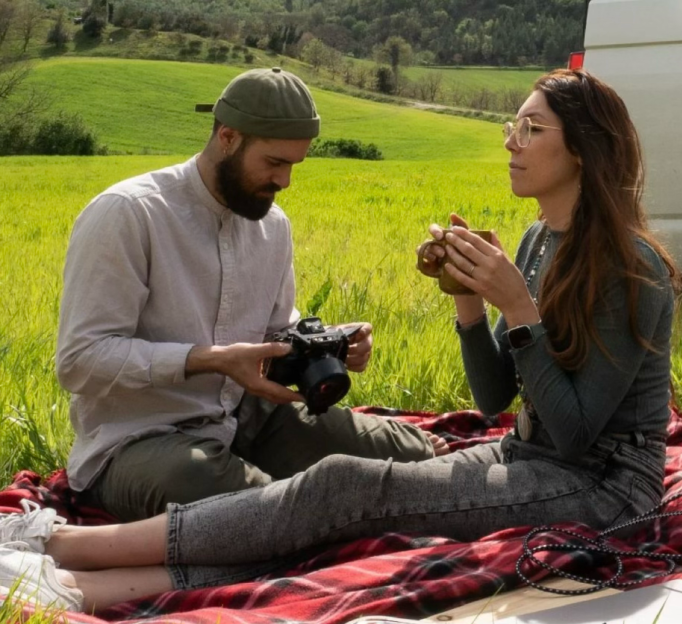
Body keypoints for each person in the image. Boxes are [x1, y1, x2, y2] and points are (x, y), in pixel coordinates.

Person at [0, 68, 682, 613]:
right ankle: (63, 554)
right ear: (230, 137)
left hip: (601, 486)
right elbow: (498, 398)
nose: (509, 139)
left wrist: (504, 306)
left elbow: (570, 435)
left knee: (337, 498)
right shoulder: (129, 215)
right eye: (515, 123)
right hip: (151, 440)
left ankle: (66, 563)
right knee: (329, 504)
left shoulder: (630, 267)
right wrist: (476, 306)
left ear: (583, 150)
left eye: (530, 128)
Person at [51, 67, 443, 523]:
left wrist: (329, 340)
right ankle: (294, 512)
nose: (286, 181)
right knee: (265, 507)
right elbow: (79, 361)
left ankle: (305, 507)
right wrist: (208, 359)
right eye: (275, 163)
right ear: (228, 138)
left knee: (410, 459)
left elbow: (278, 324)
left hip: (246, 415)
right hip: (139, 441)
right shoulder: (128, 214)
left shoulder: (273, 227)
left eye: (294, 165)